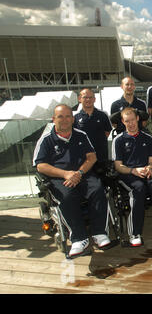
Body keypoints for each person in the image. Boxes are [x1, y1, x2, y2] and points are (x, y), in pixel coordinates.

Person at [33, 104, 111, 257]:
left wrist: (79, 172)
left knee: (98, 190)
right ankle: (79, 238)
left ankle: (99, 233)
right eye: (60, 116)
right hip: (59, 178)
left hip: (83, 174)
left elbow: (92, 157)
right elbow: (40, 165)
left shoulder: (81, 135)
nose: (64, 120)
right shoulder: (46, 140)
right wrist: (65, 174)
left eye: (68, 116)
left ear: (73, 119)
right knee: (67, 197)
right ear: (53, 119)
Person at [112, 107, 152, 246]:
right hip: (128, 175)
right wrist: (133, 171)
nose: (131, 124)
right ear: (123, 121)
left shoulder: (147, 138)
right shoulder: (118, 140)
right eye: (127, 121)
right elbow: (118, 166)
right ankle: (135, 232)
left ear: (138, 119)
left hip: (146, 172)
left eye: (133, 120)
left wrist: (148, 168)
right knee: (138, 189)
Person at [74, 88, 112, 172]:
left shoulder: (103, 115)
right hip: (84, 159)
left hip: (101, 157)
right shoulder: (75, 118)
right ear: (79, 99)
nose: (88, 99)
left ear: (94, 99)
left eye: (90, 97)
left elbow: (107, 132)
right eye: (85, 97)